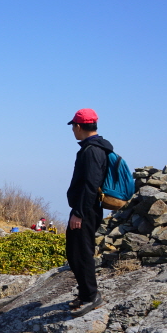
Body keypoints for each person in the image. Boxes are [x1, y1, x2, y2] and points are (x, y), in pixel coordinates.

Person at [65, 108, 112, 317]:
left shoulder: (92, 150)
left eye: (73, 126)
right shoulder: (96, 147)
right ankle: (85, 294)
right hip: (87, 208)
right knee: (75, 252)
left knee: (81, 253)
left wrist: (79, 213)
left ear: (78, 126)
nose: (73, 131)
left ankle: (91, 296)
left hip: (85, 210)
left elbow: (90, 185)